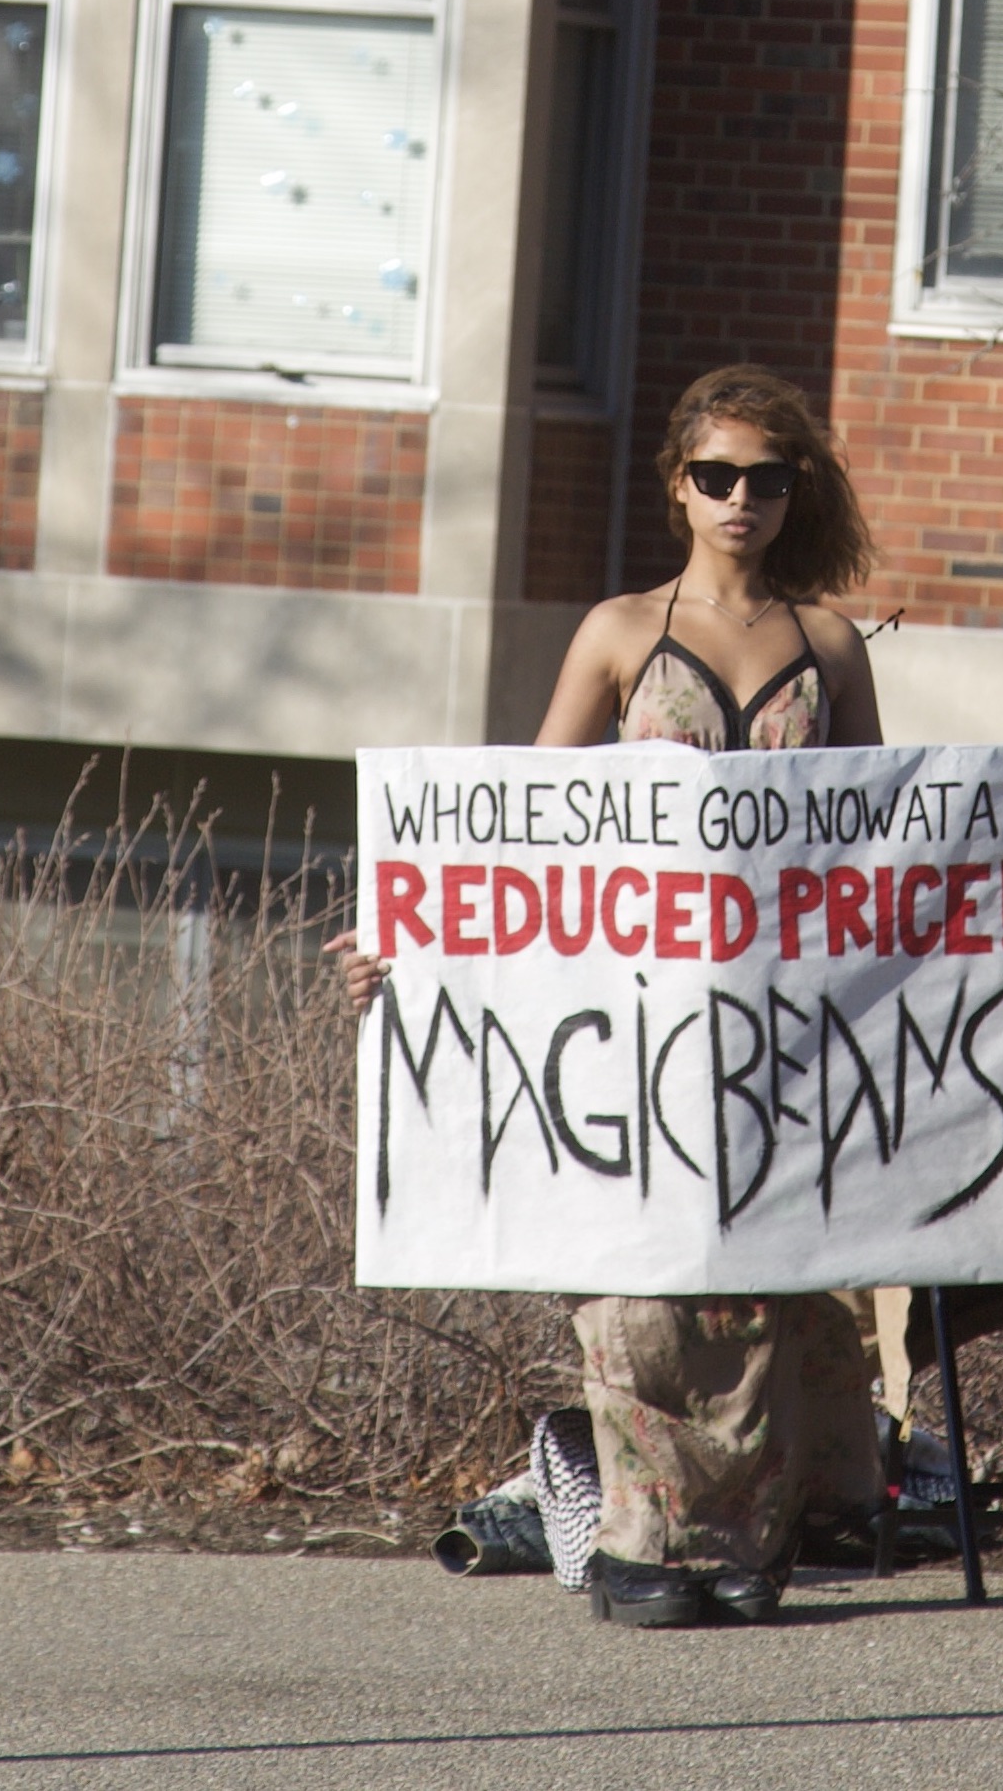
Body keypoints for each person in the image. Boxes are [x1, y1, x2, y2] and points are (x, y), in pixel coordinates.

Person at [336, 363, 891, 1629]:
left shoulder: (829, 644)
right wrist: (402, 943)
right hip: (632, 1014)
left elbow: (882, 848)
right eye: (715, 476)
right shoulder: (618, 632)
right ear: (676, 487)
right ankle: (644, 1539)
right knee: (638, 1281)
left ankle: (750, 1542)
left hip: (778, 1025)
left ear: (792, 488)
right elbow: (521, 830)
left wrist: (973, 969)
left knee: (760, 1280)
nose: (739, 498)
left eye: (765, 476)